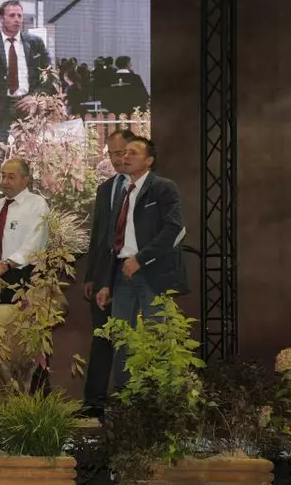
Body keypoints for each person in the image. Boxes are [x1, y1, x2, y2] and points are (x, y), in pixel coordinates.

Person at [94, 137, 188, 403]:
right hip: (122, 275)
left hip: (153, 274)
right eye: (124, 153)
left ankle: (159, 401)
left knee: (158, 337)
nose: (125, 157)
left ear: (149, 161)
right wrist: (106, 283)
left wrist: (141, 258)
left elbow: (175, 229)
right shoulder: (123, 191)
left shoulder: (162, 188)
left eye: (133, 153)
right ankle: (126, 401)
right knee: (121, 339)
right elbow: (114, 240)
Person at [80, 129, 136, 418]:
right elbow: (98, 238)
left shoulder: (146, 187)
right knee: (101, 336)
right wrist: (91, 276)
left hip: (131, 277)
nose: (117, 159)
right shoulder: (106, 188)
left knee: (129, 340)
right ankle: (94, 401)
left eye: (122, 152)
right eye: (112, 154)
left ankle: (129, 402)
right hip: (103, 277)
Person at [0, 0, 52, 195]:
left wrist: (35, 98)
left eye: (20, 16)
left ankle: (31, 195)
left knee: (30, 153)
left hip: (27, 106)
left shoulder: (34, 43)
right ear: (1, 18)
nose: (17, 20)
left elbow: (49, 75)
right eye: (12, 15)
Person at [0, 158, 48, 304]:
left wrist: (5, 265)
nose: (5, 181)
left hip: (21, 277)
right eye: (3, 176)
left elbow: (35, 244)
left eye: (11, 177)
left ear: (25, 180)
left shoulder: (37, 204)